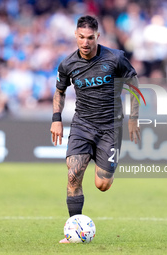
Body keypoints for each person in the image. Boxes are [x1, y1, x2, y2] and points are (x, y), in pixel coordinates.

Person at [50, 15, 140, 244]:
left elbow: (133, 84)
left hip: (110, 126)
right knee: (73, 175)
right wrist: (56, 119)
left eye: (90, 37)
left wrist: (133, 119)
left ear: (98, 36)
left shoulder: (115, 58)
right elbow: (59, 91)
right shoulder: (67, 64)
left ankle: (101, 164)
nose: (86, 42)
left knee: (102, 185)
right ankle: (74, 231)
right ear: (75, 36)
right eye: (81, 37)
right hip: (82, 125)